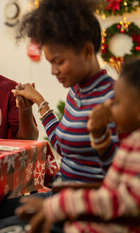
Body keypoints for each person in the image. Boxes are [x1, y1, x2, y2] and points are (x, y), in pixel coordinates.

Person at [15, 57, 140, 233]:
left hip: (85, 213)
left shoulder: (133, 140)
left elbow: (126, 199)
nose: (110, 104)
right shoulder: (132, 141)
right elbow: (115, 178)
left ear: (86, 51)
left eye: (117, 102)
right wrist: (99, 137)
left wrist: (58, 206)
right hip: (77, 207)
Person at [11, 0, 119, 183]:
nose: (53, 71)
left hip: (83, 204)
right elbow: (62, 147)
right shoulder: (76, 92)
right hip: (61, 194)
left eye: (59, 62)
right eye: (50, 63)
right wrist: (39, 100)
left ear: (87, 51)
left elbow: (119, 176)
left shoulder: (115, 97)